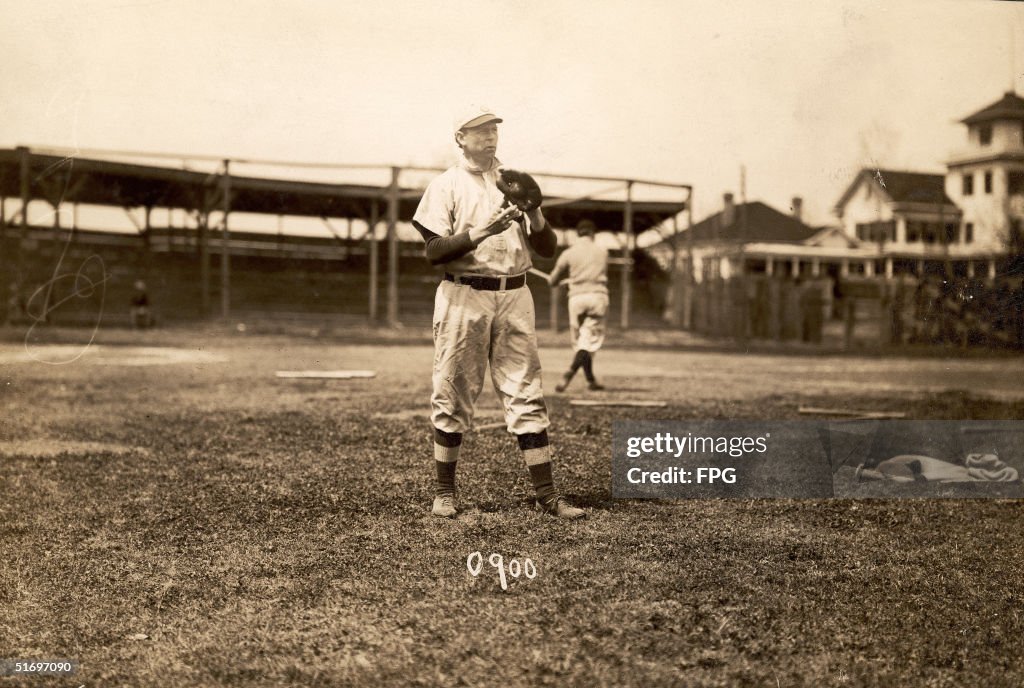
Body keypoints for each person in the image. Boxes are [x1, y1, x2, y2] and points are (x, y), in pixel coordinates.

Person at [411, 105, 585, 520]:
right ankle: (444, 492)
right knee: (452, 390)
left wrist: (535, 212)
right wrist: (483, 231)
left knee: (526, 390)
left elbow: (546, 249)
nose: (489, 137)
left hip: (515, 294)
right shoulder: (446, 184)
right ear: (460, 138)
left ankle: (546, 495)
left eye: (493, 129)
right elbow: (434, 252)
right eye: (479, 130)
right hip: (463, 294)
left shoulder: (513, 182)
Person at [547, 219, 609, 392]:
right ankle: (570, 372)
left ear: (578, 233)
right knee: (588, 342)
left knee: (582, 341)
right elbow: (592, 274)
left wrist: (558, 280)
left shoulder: (569, 253)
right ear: (592, 233)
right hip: (597, 296)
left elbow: (553, 280)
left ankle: (590, 380)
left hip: (576, 299)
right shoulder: (602, 251)